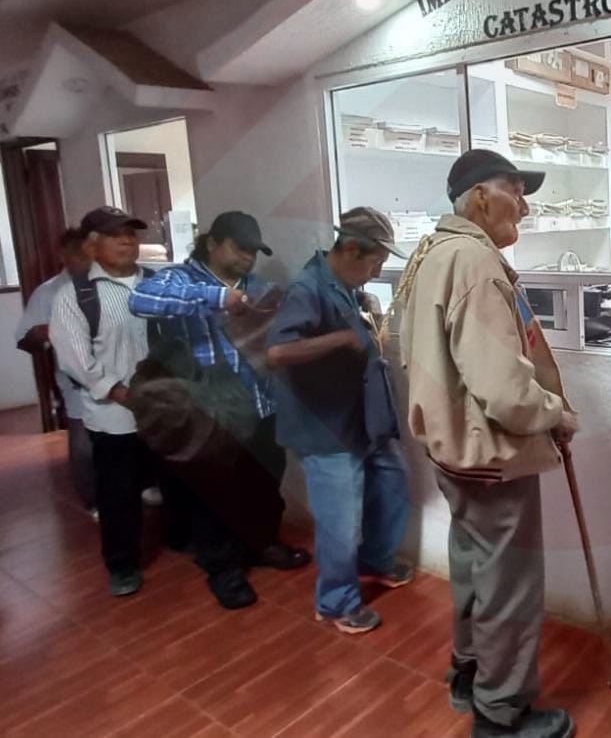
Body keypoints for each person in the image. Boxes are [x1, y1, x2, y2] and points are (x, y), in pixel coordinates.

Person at [397, 149, 579, 738]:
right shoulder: (475, 262)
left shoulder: (433, 252)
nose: (524, 207)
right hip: (491, 455)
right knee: (510, 587)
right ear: (480, 197)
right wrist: (554, 413)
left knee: (476, 569)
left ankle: (469, 673)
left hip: (453, 450)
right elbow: (504, 390)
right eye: (515, 192)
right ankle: (501, 715)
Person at [128, 211, 310, 610]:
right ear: (212, 243)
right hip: (210, 409)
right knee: (216, 492)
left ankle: (262, 545)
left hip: (261, 405)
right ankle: (223, 569)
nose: (247, 257)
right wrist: (215, 297)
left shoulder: (256, 287)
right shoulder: (180, 279)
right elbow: (139, 300)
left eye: (254, 251)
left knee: (265, 483)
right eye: (239, 248)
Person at [266, 207, 413, 635]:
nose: (376, 271)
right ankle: (335, 603)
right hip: (325, 428)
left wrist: (361, 307)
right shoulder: (306, 287)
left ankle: (374, 563)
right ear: (351, 249)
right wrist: (342, 338)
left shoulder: (343, 285)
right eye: (375, 262)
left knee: (393, 484)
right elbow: (277, 353)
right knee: (340, 521)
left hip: (360, 418)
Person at [49, 206, 160, 596]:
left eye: (131, 233)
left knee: (175, 480)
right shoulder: (75, 296)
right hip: (115, 416)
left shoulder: (159, 284)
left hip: (167, 410)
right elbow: (77, 360)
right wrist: (122, 394)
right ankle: (122, 564)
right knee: (119, 494)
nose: (127, 240)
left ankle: (183, 537)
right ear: (91, 245)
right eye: (116, 235)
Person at [15, 228, 95, 515]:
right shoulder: (48, 292)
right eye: (79, 254)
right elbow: (24, 339)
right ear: (64, 256)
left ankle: (140, 487)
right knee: (83, 445)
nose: (87, 260)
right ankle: (92, 500)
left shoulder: (110, 284)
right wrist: (44, 332)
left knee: (128, 437)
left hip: (119, 375)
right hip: (77, 382)